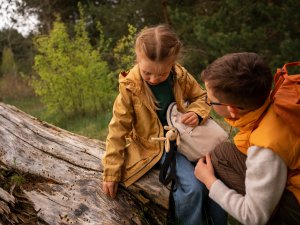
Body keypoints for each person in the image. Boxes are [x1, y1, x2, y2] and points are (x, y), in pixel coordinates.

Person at [102, 24, 227, 225]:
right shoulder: (130, 89)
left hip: (189, 137)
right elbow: (117, 131)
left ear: (173, 64)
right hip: (158, 147)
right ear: (138, 59)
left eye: (161, 74)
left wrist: (197, 112)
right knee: (192, 188)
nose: (153, 79)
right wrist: (111, 171)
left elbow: (202, 97)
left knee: (216, 177)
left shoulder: (179, 76)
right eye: (147, 73)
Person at [195, 52, 300, 225]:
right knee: (223, 153)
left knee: (221, 157)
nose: (207, 101)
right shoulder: (277, 99)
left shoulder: (266, 147)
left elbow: (253, 217)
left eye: (211, 101)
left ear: (232, 110)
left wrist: (209, 181)